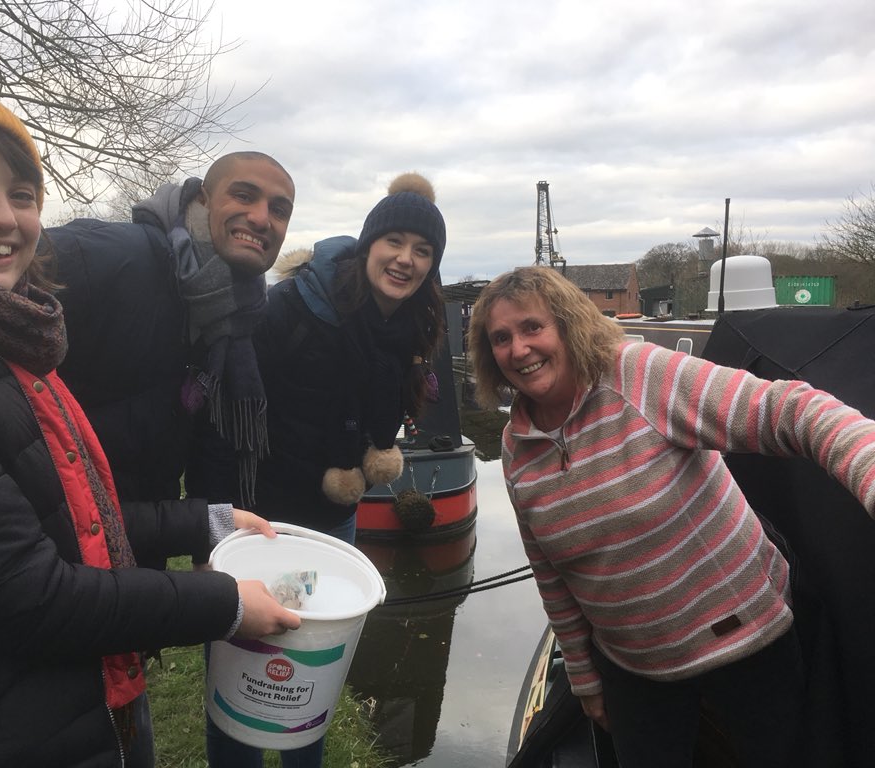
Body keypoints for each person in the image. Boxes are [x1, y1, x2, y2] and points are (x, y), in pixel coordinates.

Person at [0, 92, 300, 768]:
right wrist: (225, 602)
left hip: (77, 688)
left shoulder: (3, 347)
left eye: (23, 194)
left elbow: (61, 516)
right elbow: (30, 592)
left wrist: (203, 522)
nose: (3, 218)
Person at [465, 265, 875, 768]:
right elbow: (552, 574)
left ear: (568, 324)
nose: (518, 349)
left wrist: (868, 470)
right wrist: (584, 679)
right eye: (501, 338)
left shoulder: (637, 376)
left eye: (532, 327)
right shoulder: (515, 449)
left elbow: (787, 410)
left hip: (745, 641)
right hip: (632, 664)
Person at [196, 172, 448, 767]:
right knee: (239, 686)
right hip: (256, 522)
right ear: (369, 245)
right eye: (395, 242)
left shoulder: (412, 325)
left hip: (332, 525)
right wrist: (209, 529)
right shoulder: (290, 308)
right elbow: (223, 417)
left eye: (424, 251)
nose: (405, 261)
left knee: (309, 684)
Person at [48, 151, 295, 512]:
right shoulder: (114, 254)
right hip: (53, 524)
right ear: (202, 199)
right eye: (244, 195)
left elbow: (209, 439)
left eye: (279, 210)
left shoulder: (239, 315)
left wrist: (208, 537)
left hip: (142, 531)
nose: (261, 218)